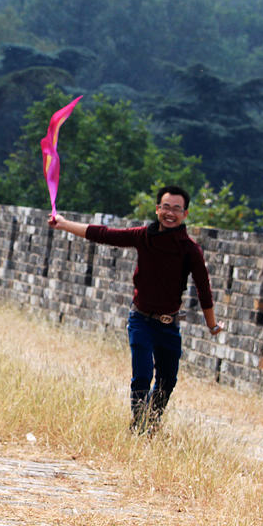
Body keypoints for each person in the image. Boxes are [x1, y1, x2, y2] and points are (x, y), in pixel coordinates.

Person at [47, 185, 224, 433]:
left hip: (169, 325)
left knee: (167, 381)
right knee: (141, 375)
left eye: (176, 208)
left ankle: (151, 423)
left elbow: (204, 289)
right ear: (157, 209)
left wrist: (212, 324)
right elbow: (105, 234)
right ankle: (139, 426)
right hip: (141, 319)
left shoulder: (190, 250)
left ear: (185, 214)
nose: (170, 213)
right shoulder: (144, 236)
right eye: (165, 207)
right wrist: (64, 224)